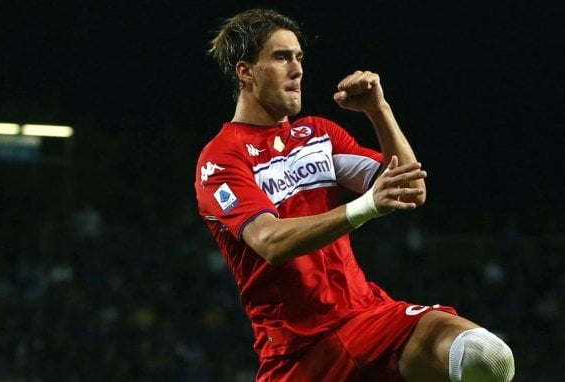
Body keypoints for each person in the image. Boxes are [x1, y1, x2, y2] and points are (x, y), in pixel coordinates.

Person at [194, 8, 515, 382]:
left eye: (299, 57)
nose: (297, 69)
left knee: (485, 355)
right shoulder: (220, 158)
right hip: (299, 353)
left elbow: (410, 188)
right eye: (281, 57)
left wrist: (378, 110)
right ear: (245, 71)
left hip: (366, 315)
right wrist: (365, 206)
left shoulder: (318, 134)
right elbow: (269, 241)